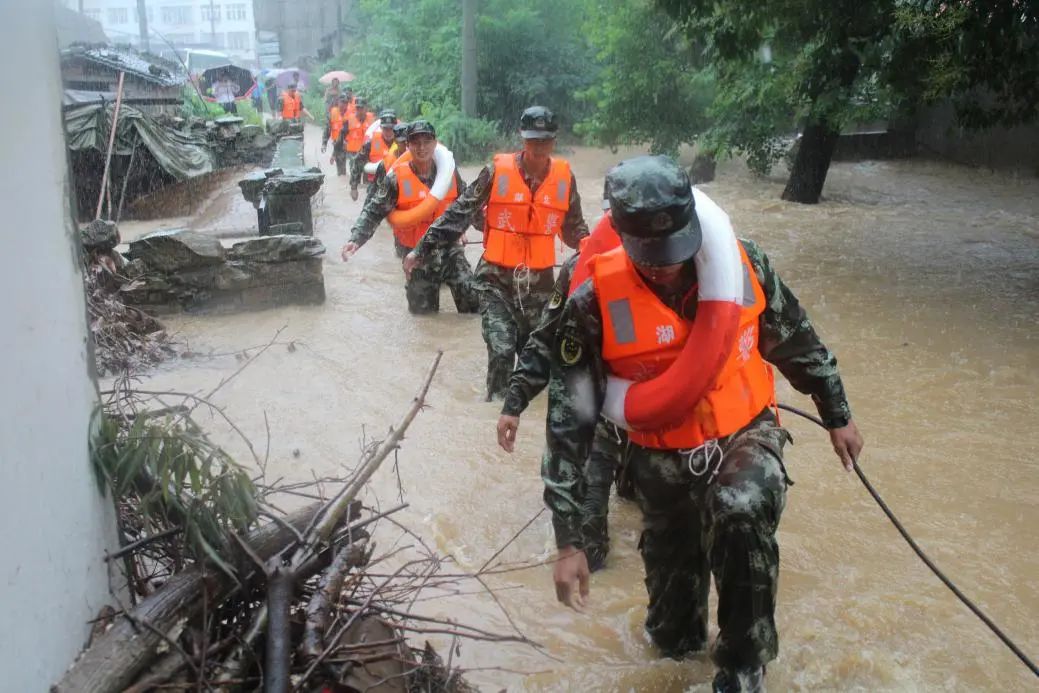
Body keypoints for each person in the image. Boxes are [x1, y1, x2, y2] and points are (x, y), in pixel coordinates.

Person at [541, 155, 864, 693]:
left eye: (673, 250)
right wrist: (569, 542)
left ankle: (744, 666)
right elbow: (568, 424)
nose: (666, 265)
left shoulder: (743, 266)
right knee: (672, 641)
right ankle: (686, 644)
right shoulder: (593, 302)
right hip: (660, 467)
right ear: (620, 233)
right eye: (651, 255)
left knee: (739, 509)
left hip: (745, 435)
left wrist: (838, 414)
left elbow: (797, 340)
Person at [403, 106, 588, 400]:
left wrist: (591, 256)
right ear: (522, 138)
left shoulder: (566, 179)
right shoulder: (496, 172)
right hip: (495, 282)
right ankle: (494, 413)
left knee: (536, 362)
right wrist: (420, 250)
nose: (538, 147)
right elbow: (459, 212)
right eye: (532, 140)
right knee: (502, 352)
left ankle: (521, 419)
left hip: (538, 286)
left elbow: (576, 229)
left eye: (545, 140)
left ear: (554, 141)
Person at [340, 120, 480, 315]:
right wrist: (355, 239)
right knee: (424, 320)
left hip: (450, 251)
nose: (422, 147)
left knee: (473, 305)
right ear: (408, 145)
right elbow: (374, 211)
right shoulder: (396, 179)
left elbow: (468, 205)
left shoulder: (449, 173)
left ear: (435, 143)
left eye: (427, 141)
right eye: (416, 142)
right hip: (417, 257)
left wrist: (475, 227)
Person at [350, 110, 398, 196]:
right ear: (381, 128)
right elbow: (357, 162)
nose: (388, 132)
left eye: (391, 129)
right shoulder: (371, 143)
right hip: (375, 186)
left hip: (396, 186)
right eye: (385, 129)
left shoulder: (403, 144)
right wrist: (354, 187)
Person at [343, 100, 375, 197]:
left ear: (366, 108)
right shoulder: (349, 120)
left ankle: (366, 194)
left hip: (368, 152)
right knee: (354, 171)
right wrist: (343, 143)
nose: (359, 111)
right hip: (353, 152)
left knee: (367, 178)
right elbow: (342, 134)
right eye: (357, 108)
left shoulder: (373, 120)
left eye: (361, 108)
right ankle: (354, 187)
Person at [322, 94, 352, 176]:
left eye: (345, 102)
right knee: (341, 169)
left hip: (352, 143)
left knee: (355, 168)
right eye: (342, 102)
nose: (343, 104)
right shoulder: (332, 112)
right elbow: (327, 129)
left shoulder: (352, 113)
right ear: (338, 102)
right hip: (338, 144)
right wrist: (324, 143)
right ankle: (343, 181)